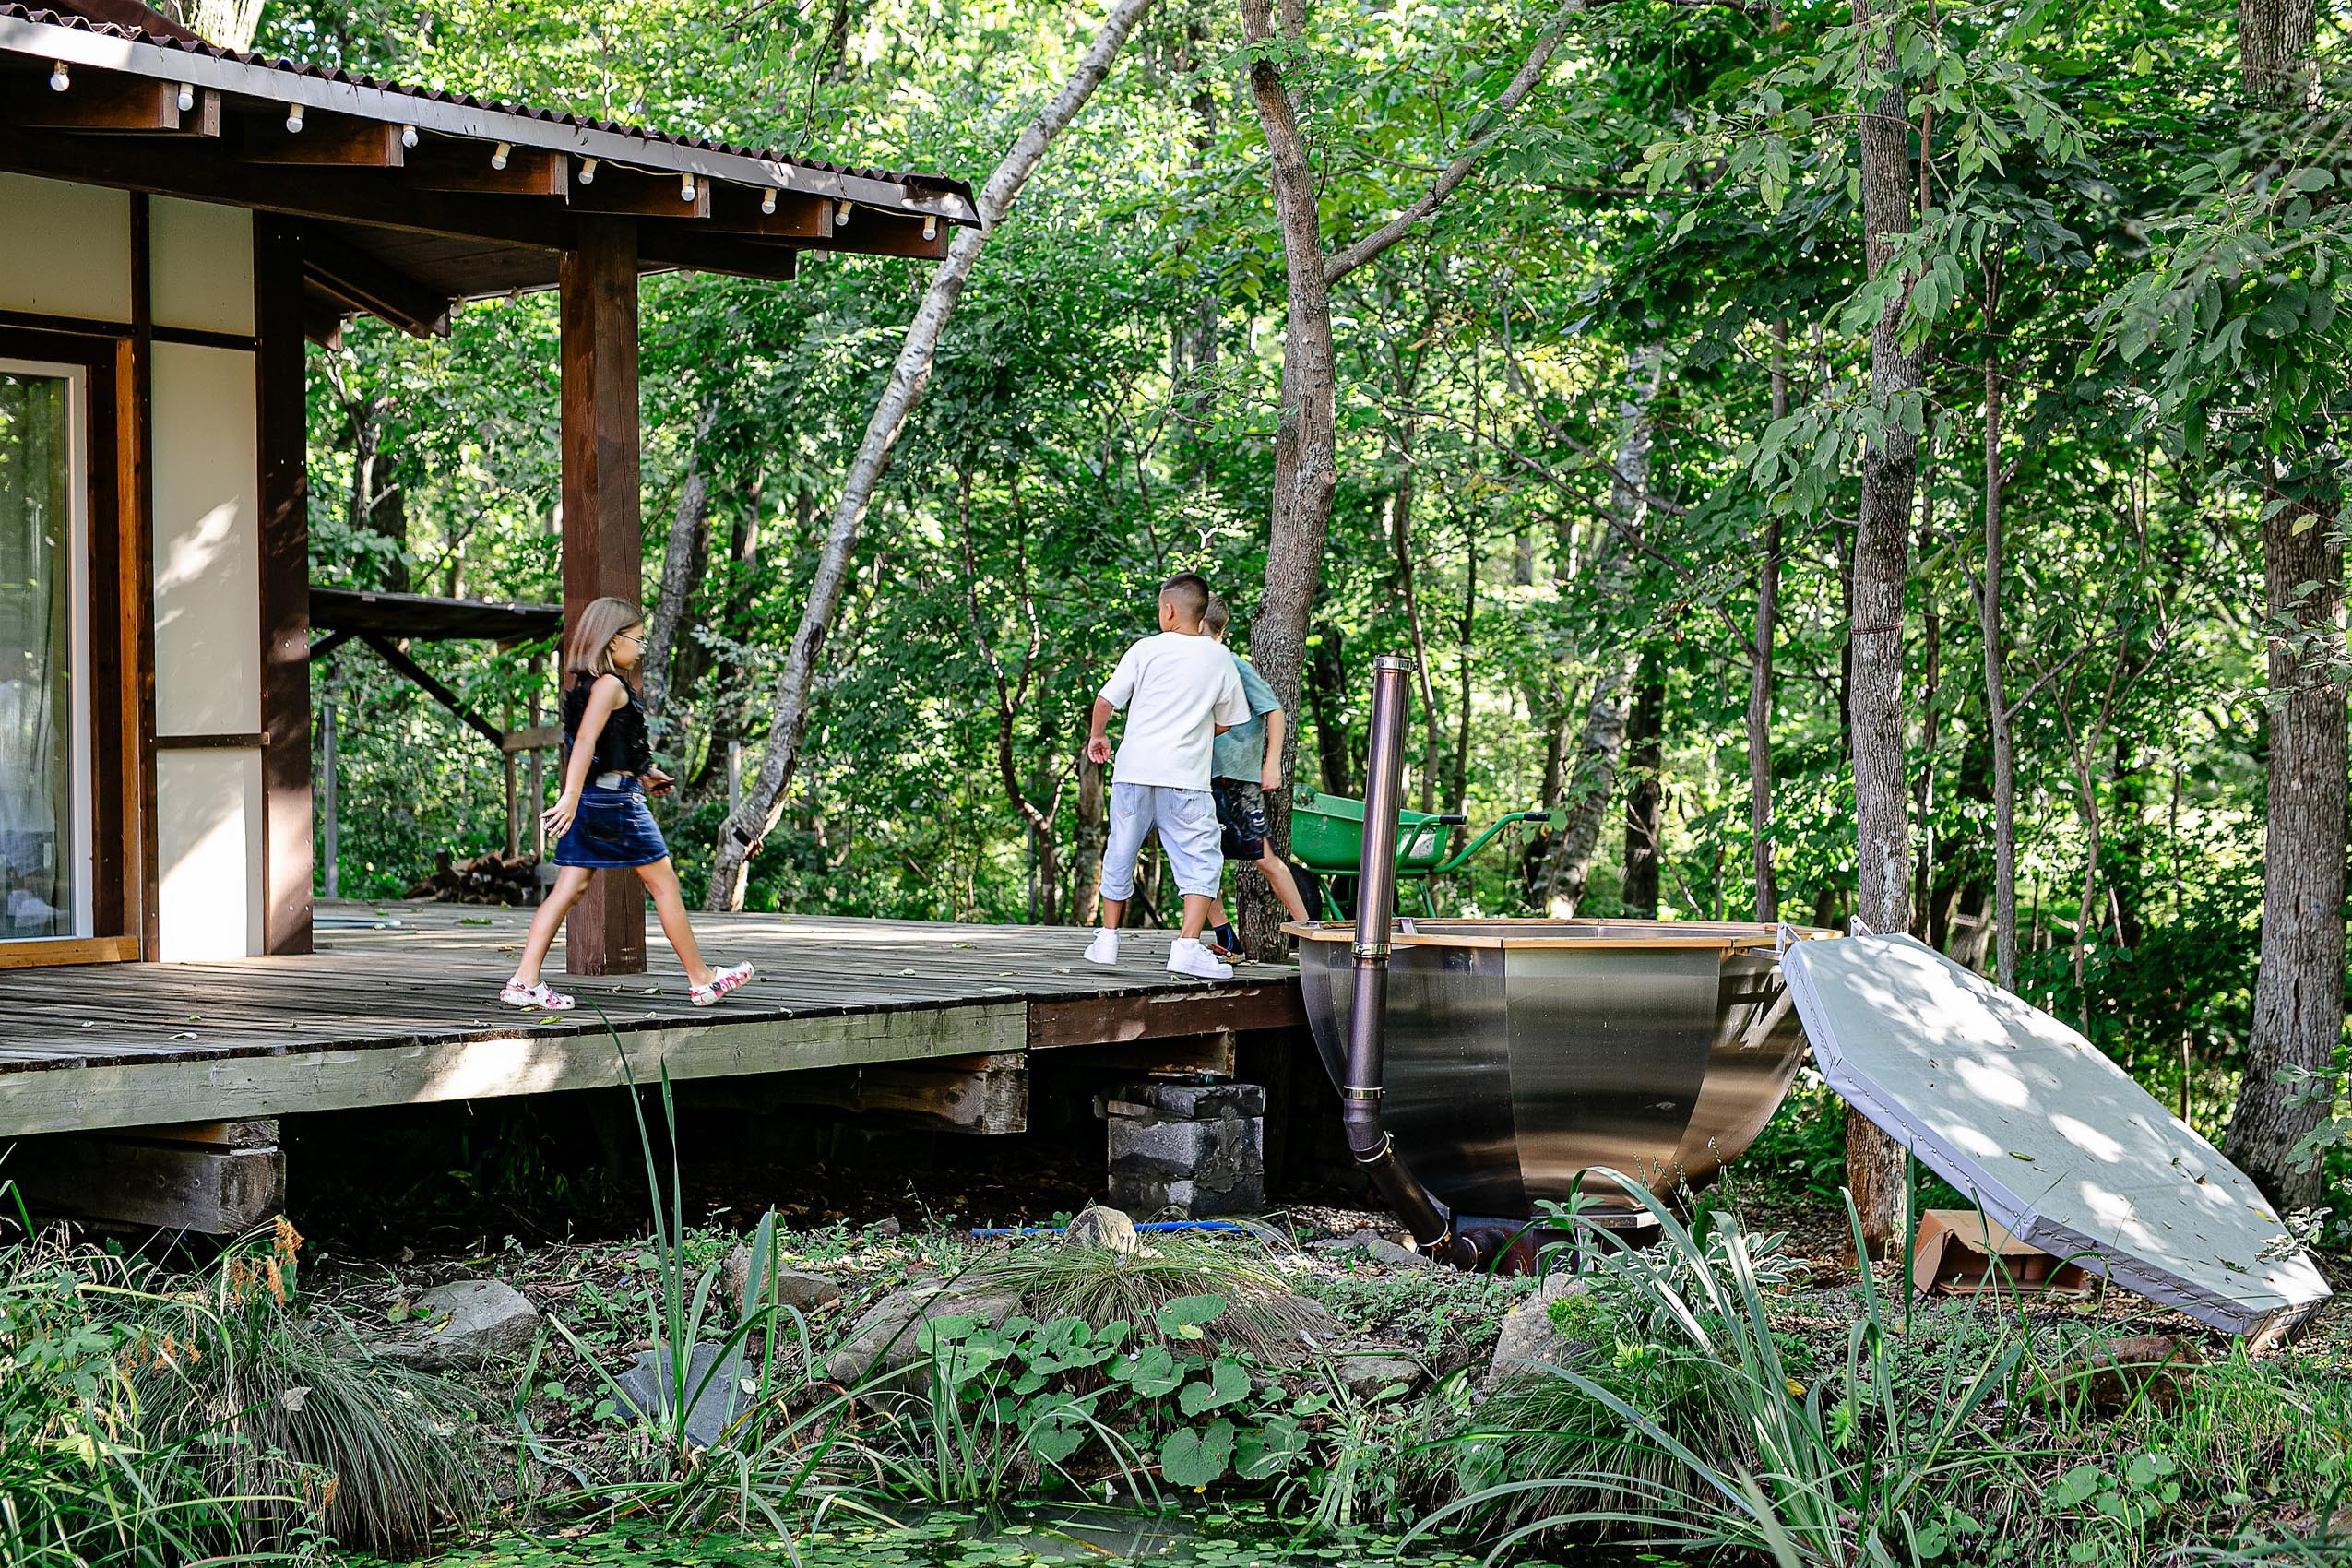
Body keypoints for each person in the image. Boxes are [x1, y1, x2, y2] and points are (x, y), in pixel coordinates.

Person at [500, 597, 754, 1010]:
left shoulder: (585, 686)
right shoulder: (611, 686)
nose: (641, 648)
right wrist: (570, 795)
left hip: (599, 798)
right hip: (614, 805)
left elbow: (603, 744)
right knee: (664, 884)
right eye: (638, 639)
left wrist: (643, 771)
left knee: (570, 888)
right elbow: (582, 742)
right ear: (613, 640)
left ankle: (524, 980)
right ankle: (702, 979)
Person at [1084, 572, 1252, 980]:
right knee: (1200, 857)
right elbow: (1229, 721)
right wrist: (1194, 732)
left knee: (1122, 847)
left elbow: (1106, 699)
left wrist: (1098, 736)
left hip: (1134, 771)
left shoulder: (1146, 649)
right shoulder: (1219, 658)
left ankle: (1107, 939)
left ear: (1170, 610)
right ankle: (1187, 947)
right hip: (1185, 777)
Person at [1196, 597, 1309, 955]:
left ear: (1201, 626)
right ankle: (1225, 936)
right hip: (1200, 777)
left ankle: (1309, 932)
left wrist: (1271, 762)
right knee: (1196, 860)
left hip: (1236, 778)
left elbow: (1274, 710)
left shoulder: (1232, 664)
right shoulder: (1190, 667)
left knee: (1266, 859)